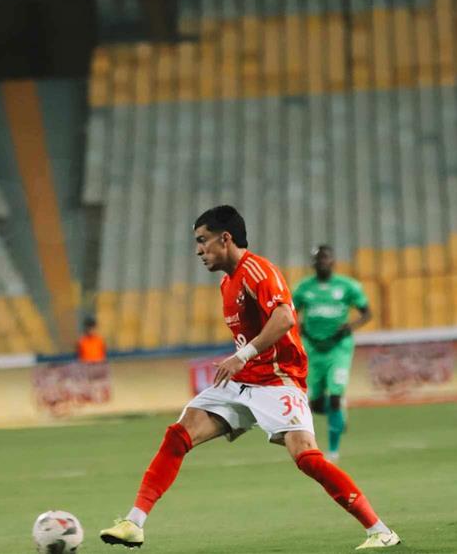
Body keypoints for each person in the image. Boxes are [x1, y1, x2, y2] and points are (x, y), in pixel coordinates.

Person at [99, 206, 400, 550]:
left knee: (307, 458)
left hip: (277, 379)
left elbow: (285, 318)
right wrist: (242, 372)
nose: (198, 250)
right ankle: (134, 522)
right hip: (242, 383)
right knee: (177, 436)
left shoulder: (258, 271)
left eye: (202, 240)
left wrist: (241, 356)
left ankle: (380, 530)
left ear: (225, 238)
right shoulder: (227, 282)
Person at [293, 245, 372, 462]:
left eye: (325, 258)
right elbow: (289, 312)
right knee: (316, 403)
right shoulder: (303, 288)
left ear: (333, 261)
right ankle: (338, 415)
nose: (322, 262)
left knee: (335, 396)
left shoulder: (347, 286)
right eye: (318, 259)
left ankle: (333, 452)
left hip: (339, 348)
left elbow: (367, 313)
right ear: (313, 264)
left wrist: (350, 326)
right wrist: (298, 327)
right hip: (313, 349)